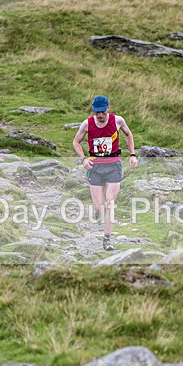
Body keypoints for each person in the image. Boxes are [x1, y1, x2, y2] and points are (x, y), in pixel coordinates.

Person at [72, 95, 138, 251]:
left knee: (110, 203)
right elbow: (76, 142)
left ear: (108, 108)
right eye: (97, 112)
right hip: (94, 167)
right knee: (98, 207)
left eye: (102, 111)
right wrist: (83, 159)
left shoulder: (118, 121)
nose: (100, 115)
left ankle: (107, 239)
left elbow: (128, 134)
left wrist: (132, 155)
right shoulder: (86, 124)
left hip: (113, 165)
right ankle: (97, 212)